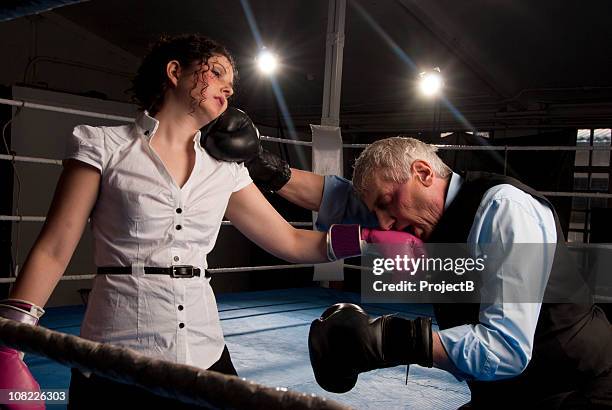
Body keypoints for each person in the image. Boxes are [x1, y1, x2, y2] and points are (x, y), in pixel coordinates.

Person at [0, 35, 415, 409]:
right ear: (175, 72)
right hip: (116, 346)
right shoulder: (103, 145)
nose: (229, 87)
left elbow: (290, 241)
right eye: (216, 73)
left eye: (231, 81)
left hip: (204, 348)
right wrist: (10, 344)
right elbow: (56, 247)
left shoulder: (224, 169)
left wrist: (367, 238)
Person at [247, 137, 612, 409]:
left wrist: (389, 339)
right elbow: (338, 198)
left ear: (423, 172)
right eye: (377, 213)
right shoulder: (415, 214)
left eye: (387, 204)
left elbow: (505, 349)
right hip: (508, 392)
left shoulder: (503, 209)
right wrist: (262, 165)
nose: (385, 224)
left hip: (579, 388)